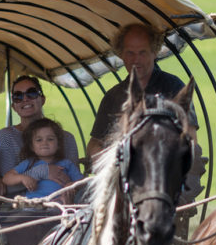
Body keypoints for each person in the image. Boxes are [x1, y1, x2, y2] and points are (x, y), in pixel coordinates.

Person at [86, 23, 200, 163]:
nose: (136, 60)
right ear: (121, 55)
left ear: (155, 52)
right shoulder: (113, 96)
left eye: (142, 52)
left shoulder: (173, 87)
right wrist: (107, 162)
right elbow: (95, 143)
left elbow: (190, 135)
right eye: (130, 53)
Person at [0, 75, 80, 196]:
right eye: (18, 96)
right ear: (14, 106)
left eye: (31, 93)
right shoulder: (7, 136)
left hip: (60, 203)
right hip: (22, 205)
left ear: (42, 99)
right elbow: (8, 188)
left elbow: (74, 182)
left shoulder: (66, 138)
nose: (25, 99)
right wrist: (42, 172)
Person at [2, 118, 83, 202]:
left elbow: (82, 182)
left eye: (50, 139)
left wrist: (72, 185)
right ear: (32, 146)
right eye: (39, 140)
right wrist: (22, 178)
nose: (44, 143)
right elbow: (6, 178)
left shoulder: (66, 163)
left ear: (58, 144)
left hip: (58, 202)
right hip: (33, 203)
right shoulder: (29, 163)